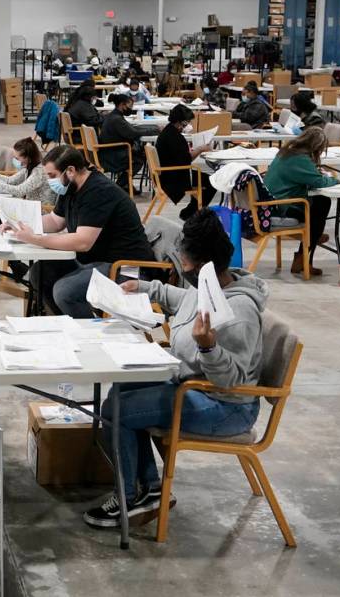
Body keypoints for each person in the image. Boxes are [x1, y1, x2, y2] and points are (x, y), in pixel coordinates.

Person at [82, 210, 267, 528]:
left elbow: (231, 382)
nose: (182, 268)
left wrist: (209, 348)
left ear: (203, 265)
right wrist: (145, 288)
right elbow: (184, 298)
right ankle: (150, 489)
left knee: (116, 412)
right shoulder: (211, 285)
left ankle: (130, 497)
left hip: (224, 406)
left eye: (185, 263)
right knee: (121, 390)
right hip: (191, 386)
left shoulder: (239, 310)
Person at [4, 145, 156, 318]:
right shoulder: (71, 187)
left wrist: (34, 239)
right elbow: (55, 221)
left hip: (125, 266)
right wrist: (18, 224)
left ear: (70, 170)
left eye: (52, 175)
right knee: (40, 272)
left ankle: (90, 336)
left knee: (65, 292)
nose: (50, 181)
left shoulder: (99, 191)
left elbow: (82, 242)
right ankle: (66, 323)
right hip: (97, 260)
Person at [263, 128, 338, 276]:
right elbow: (319, 181)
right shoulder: (300, 159)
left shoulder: (287, 152)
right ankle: (304, 256)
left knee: (318, 206)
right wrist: (335, 179)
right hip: (281, 206)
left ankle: (312, 238)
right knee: (322, 203)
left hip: (272, 202)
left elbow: (304, 177)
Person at [155, 104, 214, 220]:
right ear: (179, 121)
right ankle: (192, 213)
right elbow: (186, 160)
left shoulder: (169, 132)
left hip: (168, 174)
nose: (187, 125)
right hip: (173, 178)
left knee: (204, 179)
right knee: (212, 182)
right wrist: (200, 149)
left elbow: (179, 155)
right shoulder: (174, 136)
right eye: (186, 122)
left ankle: (190, 211)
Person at [0, 137, 54, 210]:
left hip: (40, 212)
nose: (15, 160)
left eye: (17, 158)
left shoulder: (38, 172)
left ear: (27, 157)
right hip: (30, 208)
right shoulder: (29, 167)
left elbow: (19, 191)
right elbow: (10, 181)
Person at [98, 94, 158, 189]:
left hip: (109, 152)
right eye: (130, 106)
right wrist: (155, 130)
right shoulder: (117, 119)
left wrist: (151, 128)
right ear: (122, 105)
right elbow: (133, 133)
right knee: (139, 160)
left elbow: (131, 129)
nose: (131, 109)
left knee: (139, 154)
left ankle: (124, 184)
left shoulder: (113, 115)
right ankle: (119, 186)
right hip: (112, 156)